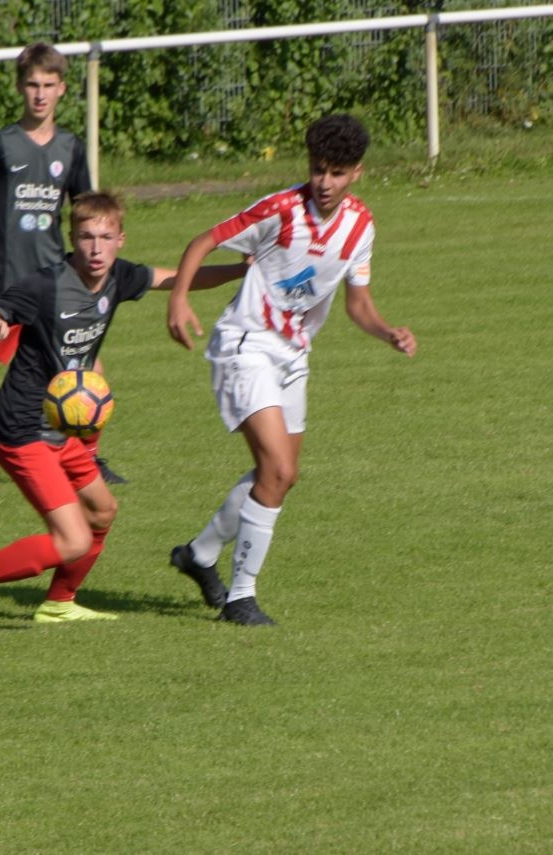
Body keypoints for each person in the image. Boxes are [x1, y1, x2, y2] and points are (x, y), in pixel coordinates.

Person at [0, 191, 246, 641]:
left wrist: (241, 270)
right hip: (21, 429)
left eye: (105, 238)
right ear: (72, 239)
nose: (96, 248)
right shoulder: (45, 285)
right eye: (86, 237)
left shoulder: (120, 277)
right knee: (72, 539)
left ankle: (59, 604)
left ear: (120, 240)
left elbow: (179, 278)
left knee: (102, 509)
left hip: (63, 428)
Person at [165, 114, 417, 626]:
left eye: (337, 173)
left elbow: (358, 305)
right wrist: (178, 299)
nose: (325, 181)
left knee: (281, 476)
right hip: (245, 344)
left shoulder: (361, 226)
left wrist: (387, 331)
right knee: (277, 470)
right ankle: (240, 598)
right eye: (318, 169)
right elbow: (204, 240)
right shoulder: (280, 209)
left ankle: (199, 553)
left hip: (293, 354)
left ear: (357, 173)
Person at [0, 41, 126, 501]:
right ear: (20, 87)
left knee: (88, 372)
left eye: (48, 85)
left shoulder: (70, 148)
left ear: (62, 89)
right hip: (4, 287)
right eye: (32, 85)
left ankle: (89, 457)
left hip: (58, 289)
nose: (40, 94)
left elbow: (86, 213)